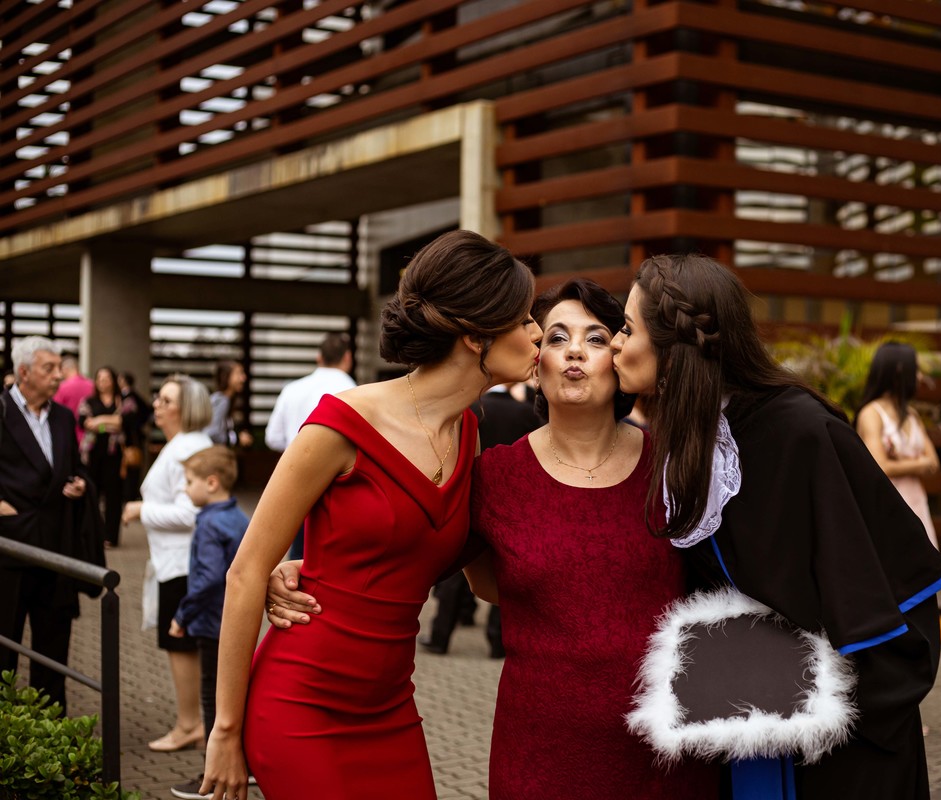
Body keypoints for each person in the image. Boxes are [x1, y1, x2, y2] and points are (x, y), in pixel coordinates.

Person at [268, 278, 718, 799]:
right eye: (556, 337)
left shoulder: (675, 466)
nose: (575, 350)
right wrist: (310, 568)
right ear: (535, 363)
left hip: (668, 748)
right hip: (540, 751)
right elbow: (422, 564)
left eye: (596, 338)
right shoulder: (494, 477)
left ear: (619, 357)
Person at [201, 230, 542, 800]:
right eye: (524, 318)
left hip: (392, 709)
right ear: (474, 334)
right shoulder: (341, 423)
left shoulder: (469, 433)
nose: (537, 333)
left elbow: (481, 579)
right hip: (301, 707)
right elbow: (245, 573)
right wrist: (225, 731)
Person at [610, 254, 941, 799]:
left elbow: (887, 582)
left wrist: (846, 705)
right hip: (747, 720)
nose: (614, 344)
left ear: (674, 348)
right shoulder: (689, 439)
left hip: (842, 742)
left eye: (627, 329)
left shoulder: (800, 432)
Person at [121, 375, 214, 752]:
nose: (156, 405)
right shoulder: (183, 445)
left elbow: (191, 513)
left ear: (186, 408)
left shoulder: (189, 448)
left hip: (183, 563)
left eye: (166, 400)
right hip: (176, 561)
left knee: (180, 643)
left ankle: (190, 725)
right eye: (158, 398)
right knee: (181, 643)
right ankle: (192, 722)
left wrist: (141, 510)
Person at [419, 383, 542, 658]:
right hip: (514, 499)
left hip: (473, 494)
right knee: (507, 568)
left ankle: (440, 635)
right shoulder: (525, 412)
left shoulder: (471, 410)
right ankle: (498, 642)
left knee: (458, 572)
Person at [0, 337, 89, 711]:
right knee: (4, 646)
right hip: (11, 549)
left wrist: (81, 483)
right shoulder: (1, 410)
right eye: (48, 368)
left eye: (58, 367)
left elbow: (75, 466)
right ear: (24, 372)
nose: (58, 375)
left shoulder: (64, 417)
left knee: (53, 649)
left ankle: (53, 725)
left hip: (56, 546)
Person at [166, 446, 250, 800]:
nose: (185, 489)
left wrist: (182, 614)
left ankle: (213, 777)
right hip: (238, 623)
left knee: (214, 701)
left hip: (211, 624)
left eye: (189, 482)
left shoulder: (209, 523)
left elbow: (209, 578)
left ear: (211, 483)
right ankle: (245, 764)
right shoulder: (240, 517)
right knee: (236, 696)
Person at [264, 331, 356, 559]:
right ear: (347, 358)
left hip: (294, 477)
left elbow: (272, 437)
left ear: (319, 357)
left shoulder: (292, 389)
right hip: (337, 486)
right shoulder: (353, 390)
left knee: (297, 554)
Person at [856, 342, 940, 548]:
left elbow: (934, 463)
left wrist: (900, 461)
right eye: (916, 369)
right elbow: (881, 467)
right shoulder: (872, 413)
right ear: (900, 371)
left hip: (916, 502)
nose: (920, 377)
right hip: (888, 505)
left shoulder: (911, 415)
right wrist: (919, 463)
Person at [79, 366, 125, 548]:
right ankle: (93, 533)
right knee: (93, 494)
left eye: (106, 378)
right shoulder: (89, 401)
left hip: (114, 455)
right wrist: (109, 423)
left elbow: (123, 422)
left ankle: (110, 536)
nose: (102, 382)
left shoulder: (121, 401)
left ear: (113, 381)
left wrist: (99, 421)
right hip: (92, 455)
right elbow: (84, 423)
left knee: (114, 496)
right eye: (99, 378)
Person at [117, 371, 153, 506]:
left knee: (131, 466)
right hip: (134, 437)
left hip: (130, 438)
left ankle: (129, 495)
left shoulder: (128, 397)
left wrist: (135, 424)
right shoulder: (135, 396)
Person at [204, 361, 253, 449]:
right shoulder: (222, 400)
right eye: (239, 373)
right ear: (226, 376)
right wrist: (237, 439)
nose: (243, 378)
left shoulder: (223, 399)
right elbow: (212, 433)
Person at [53, 355, 93, 444]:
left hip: (69, 435)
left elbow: (55, 412)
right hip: (90, 437)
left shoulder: (61, 388)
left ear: (65, 369)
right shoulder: (92, 385)